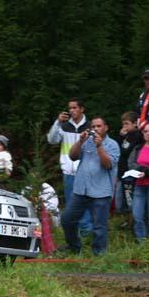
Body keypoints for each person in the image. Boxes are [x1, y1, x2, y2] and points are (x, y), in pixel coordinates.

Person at [60, 117, 120, 255]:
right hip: (81, 189)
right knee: (67, 219)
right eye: (93, 126)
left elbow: (108, 164)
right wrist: (80, 141)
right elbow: (72, 156)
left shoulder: (112, 145)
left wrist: (99, 146)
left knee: (99, 227)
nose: (96, 129)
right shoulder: (86, 142)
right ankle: (74, 248)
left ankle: (99, 255)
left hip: (101, 192)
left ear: (106, 127)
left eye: (99, 126)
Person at [47, 98, 93, 234]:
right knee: (71, 205)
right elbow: (51, 140)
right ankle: (74, 235)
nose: (71, 111)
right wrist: (58, 122)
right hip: (68, 171)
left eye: (74, 108)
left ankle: (86, 232)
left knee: (84, 202)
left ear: (81, 109)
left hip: (84, 171)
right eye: (70, 108)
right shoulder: (64, 126)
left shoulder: (90, 126)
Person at [115, 112, 142, 220]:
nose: (124, 127)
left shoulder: (138, 136)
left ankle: (133, 221)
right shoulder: (125, 136)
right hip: (121, 172)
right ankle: (126, 220)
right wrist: (121, 137)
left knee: (129, 200)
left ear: (135, 123)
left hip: (130, 173)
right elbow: (117, 149)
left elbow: (127, 151)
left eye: (127, 124)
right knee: (120, 201)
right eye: (123, 124)